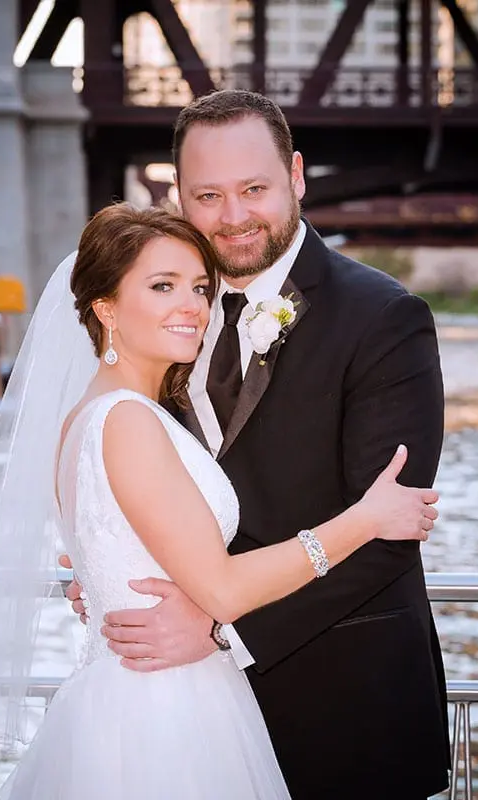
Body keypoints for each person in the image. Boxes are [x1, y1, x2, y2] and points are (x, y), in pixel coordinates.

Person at [0, 201, 439, 799]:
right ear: (106, 308)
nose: (193, 306)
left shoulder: (91, 415)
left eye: (200, 288)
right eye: (163, 286)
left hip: (138, 691)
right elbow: (224, 592)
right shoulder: (128, 421)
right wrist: (363, 520)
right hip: (164, 710)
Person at [63, 90, 452, 799]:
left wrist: (218, 629)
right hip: (183, 722)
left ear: (296, 177)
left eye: (254, 189)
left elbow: (389, 531)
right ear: (179, 196)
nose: (233, 215)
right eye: (208, 195)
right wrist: (109, 563)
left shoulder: (384, 318)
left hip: (347, 709)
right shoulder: (169, 321)